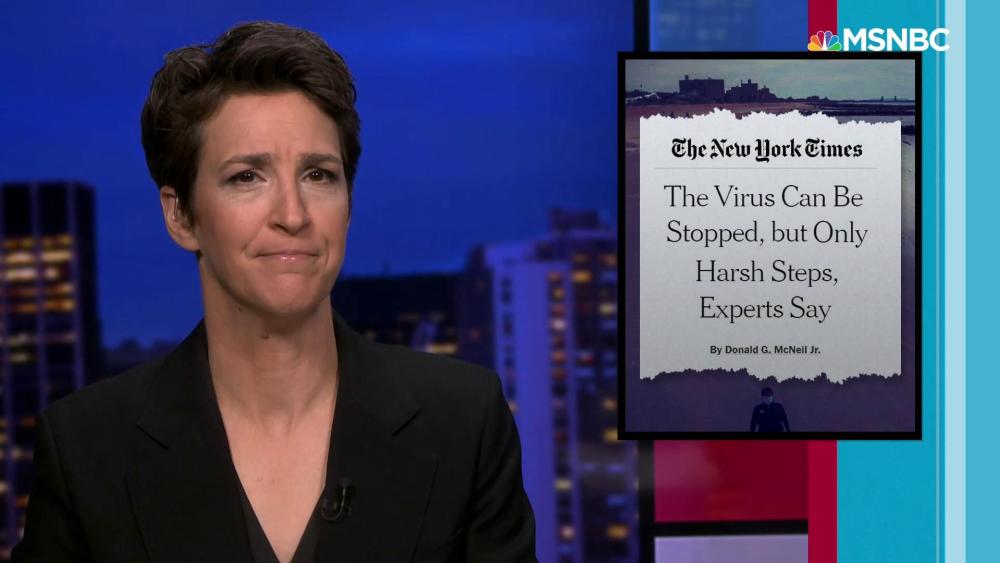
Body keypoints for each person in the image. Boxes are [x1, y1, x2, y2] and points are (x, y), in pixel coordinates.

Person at [13, 21, 535, 562]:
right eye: (247, 177)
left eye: (318, 175)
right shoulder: (86, 449)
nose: (293, 214)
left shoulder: (464, 423)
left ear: (349, 204)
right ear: (181, 215)